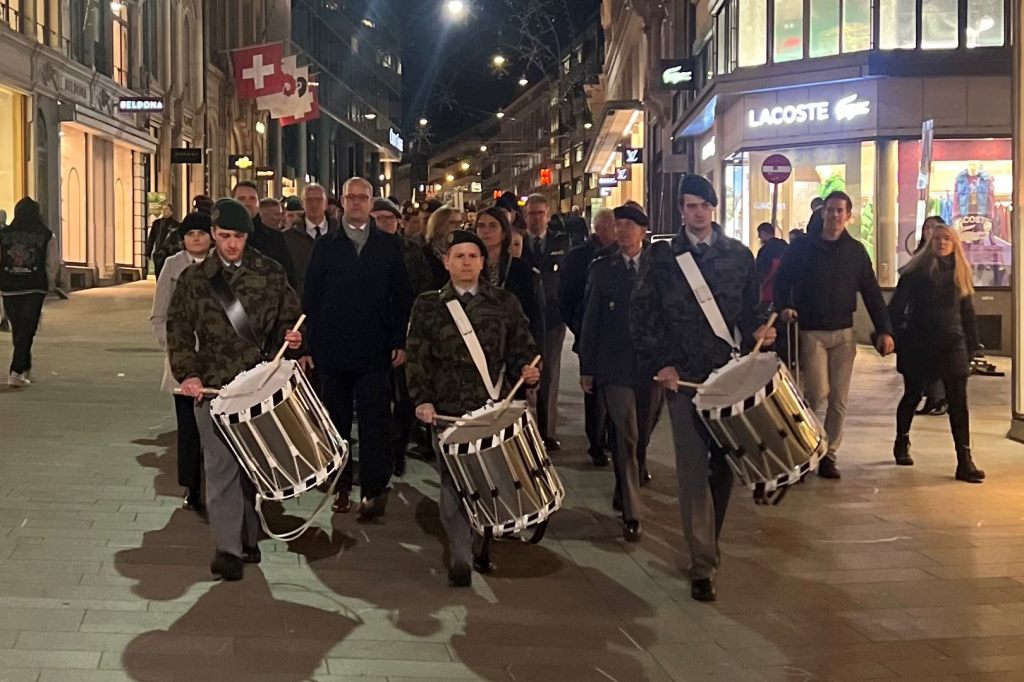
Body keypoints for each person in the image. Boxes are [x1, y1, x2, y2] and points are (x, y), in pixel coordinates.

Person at [631, 174, 775, 602]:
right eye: (690, 206)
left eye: (704, 206)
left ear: (714, 209)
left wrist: (761, 331)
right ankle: (702, 562)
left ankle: (708, 538)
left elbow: (752, 309)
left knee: (723, 469)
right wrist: (662, 364)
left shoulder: (739, 255)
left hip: (729, 376)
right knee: (692, 471)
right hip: (685, 381)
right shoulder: (661, 258)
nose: (697, 213)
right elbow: (643, 316)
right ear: (681, 210)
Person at [166, 198, 303, 581]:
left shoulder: (270, 273)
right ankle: (227, 549)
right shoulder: (194, 279)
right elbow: (177, 331)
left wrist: (293, 338)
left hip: (257, 388)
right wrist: (188, 374)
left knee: (251, 467)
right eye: (223, 236)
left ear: (248, 237)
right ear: (212, 234)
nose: (230, 245)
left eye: (237, 237)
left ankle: (246, 535)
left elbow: (289, 317)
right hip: (213, 389)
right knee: (222, 468)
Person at [406, 229, 540, 587]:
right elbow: (417, 356)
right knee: (452, 482)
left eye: (473, 256)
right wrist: (422, 399)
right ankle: (461, 555)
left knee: (490, 480)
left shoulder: (504, 303)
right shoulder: (428, 305)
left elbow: (521, 347)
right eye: (459, 256)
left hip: (490, 406)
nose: (466, 262)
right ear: (446, 262)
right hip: (447, 410)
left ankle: (484, 541)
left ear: (483, 262)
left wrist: (528, 372)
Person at [304, 177, 414, 518]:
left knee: (375, 422)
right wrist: (310, 344)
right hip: (333, 351)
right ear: (341, 201)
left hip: (375, 350)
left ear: (371, 203)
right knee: (335, 423)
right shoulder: (326, 246)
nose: (356, 203)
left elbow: (402, 297)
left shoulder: (388, 245)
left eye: (362, 198)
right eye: (350, 198)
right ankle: (339, 485)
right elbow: (311, 297)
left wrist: (399, 340)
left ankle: (373, 489)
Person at [775, 190, 894, 480]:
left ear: (848, 216)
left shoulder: (855, 252)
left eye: (841, 211)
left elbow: (871, 292)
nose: (835, 216)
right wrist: (785, 307)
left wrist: (885, 330)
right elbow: (782, 280)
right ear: (823, 213)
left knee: (839, 399)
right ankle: (806, 449)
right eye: (830, 210)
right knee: (817, 394)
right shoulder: (802, 248)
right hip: (812, 332)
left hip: (843, 333)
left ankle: (829, 454)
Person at [580, 204, 664, 542]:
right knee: (625, 434)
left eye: (631, 225)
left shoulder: (659, 268)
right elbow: (591, 320)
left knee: (642, 433)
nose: (624, 230)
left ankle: (625, 481)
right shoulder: (603, 268)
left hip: (652, 364)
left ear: (644, 230)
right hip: (614, 364)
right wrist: (588, 367)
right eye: (620, 224)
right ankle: (632, 511)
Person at [888, 223, 984, 482]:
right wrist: (890, 336)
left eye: (946, 239)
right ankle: (902, 440)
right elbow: (896, 308)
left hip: (952, 343)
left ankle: (964, 460)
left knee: (959, 403)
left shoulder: (959, 273)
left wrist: (973, 345)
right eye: (937, 238)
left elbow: (967, 312)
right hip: (920, 343)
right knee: (913, 394)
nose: (941, 242)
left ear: (954, 244)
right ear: (930, 242)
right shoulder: (914, 273)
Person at [150, 212, 212, 512]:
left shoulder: (220, 264)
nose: (196, 238)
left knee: (216, 427)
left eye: (202, 232)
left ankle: (216, 481)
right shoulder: (172, 266)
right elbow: (159, 313)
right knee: (188, 426)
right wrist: (172, 346)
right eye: (190, 234)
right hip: (182, 360)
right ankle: (191, 485)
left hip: (217, 361)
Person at [372, 197, 432, 476]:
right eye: (378, 218)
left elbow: (423, 292)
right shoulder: (364, 250)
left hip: (406, 333)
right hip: (373, 335)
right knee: (377, 397)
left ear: (398, 222)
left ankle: (399, 448)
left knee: (404, 397)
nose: (384, 224)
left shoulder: (411, 251)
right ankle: (383, 450)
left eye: (389, 218)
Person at [561, 207, 617, 467]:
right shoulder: (580, 257)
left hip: (614, 337)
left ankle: (612, 440)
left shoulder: (621, 255)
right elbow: (568, 297)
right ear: (602, 228)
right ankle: (597, 443)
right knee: (593, 392)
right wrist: (580, 328)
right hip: (589, 333)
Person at [520, 193, 570, 450]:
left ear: (548, 216)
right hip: (525, 319)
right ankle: (524, 431)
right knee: (525, 375)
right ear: (524, 216)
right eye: (531, 213)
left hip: (551, 319)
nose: (536, 218)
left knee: (549, 376)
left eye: (540, 213)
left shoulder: (561, 243)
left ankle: (547, 431)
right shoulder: (517, 244)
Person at [0, 197, 59, 388]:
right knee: (27, 329)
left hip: (9, 287)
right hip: (34, 286)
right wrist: (50, 282)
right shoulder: (46, 235)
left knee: (19, 329)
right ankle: (17, 370)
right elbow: (52, 262)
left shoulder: (3, 234)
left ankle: (24, 366)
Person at [473, 207, 545, 347]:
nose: (486, 231)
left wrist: (537, 352)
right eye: (481, 226)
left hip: (514, 342)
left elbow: (534, 314)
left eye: (493, 225)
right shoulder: (470, 267)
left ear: (504, 232)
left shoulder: (520, 269)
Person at [912, 215, 948, 416]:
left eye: (934, 228)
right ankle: (930, 398)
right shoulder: (919, 256)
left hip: (941, 323)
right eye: (927, 228)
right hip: (921, 321)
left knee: (938, 364)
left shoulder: (947, 258)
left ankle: (940, 399)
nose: (930, 232)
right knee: (924, 365)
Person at [232, 181, 296, 286]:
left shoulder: (275, 239)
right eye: (241, 199)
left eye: (252, 199)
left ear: (258, 204)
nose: (247, 203)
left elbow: (288, 279)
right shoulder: (221, 238)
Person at [282, 183, 338, 297]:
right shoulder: (288, 238)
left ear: (326, 203)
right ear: (302, 204)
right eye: (309, 200)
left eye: (319, 200)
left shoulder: (340, 234)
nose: (314, 204)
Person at [423, 205, 464, 290]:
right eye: (452, 223)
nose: (458, 227)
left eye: (460, 223)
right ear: (439, 225)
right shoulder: (424, 253)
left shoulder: (463, 251)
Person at [755, 222, 788, 309]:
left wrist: (762, 286)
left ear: (763, 233)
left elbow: (762, 271)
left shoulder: (764, 250)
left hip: (767, 292)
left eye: (760, 234)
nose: (759, 237)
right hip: (784, 291)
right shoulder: (785, 245)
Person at [146, 204, 177, 277]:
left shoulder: (175, 224)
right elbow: (151, 238)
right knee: (158, 273)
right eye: (163, 209)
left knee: (167, 274)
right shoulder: (157, 223)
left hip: (169, 254)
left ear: (171, 212)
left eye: (166, 209)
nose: (164, 211)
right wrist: (148, 252)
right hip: (158, 253)